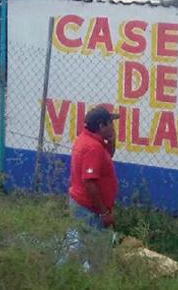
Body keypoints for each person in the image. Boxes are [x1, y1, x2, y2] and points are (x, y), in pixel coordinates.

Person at [64, 105, 120, 269]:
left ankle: (67, 275)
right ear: (102, 126)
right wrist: (104, 212)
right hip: (89, 209)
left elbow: (107, 157)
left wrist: (111, 140)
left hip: (81, 205)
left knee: (80, 247)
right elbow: (89, 182)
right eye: (111, 123)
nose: (113, 127)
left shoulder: (88, 140)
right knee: (97, 257)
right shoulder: (93, 147)